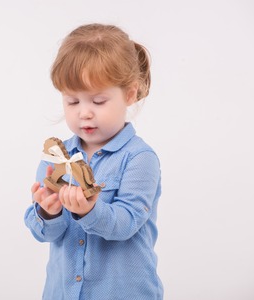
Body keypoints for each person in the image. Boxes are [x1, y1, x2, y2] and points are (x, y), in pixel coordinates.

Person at [24, 23, 163, 300]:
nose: (84, 113)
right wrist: (47, 213)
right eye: (73, 101)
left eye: (98, 101)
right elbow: (44, 233)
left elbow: (127, 222)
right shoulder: (57, 155)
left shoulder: (139, 158)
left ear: (130, 94)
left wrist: (89, 211)